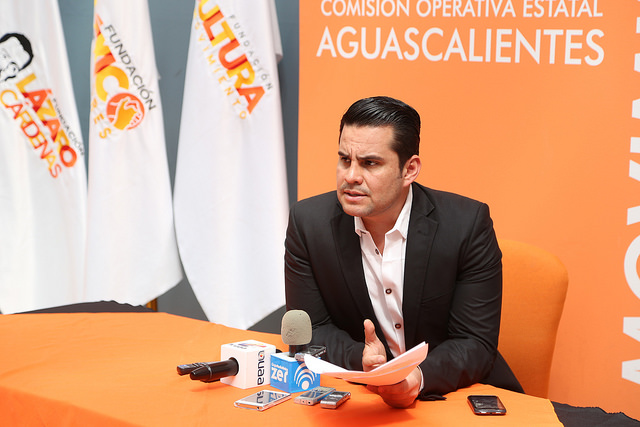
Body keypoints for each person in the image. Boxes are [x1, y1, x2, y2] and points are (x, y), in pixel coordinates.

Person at [284, 96, 522, 408]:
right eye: (344, 159)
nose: (351, 176)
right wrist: (364, 360)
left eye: (370, 163)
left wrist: (416, 378)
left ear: (410, 169)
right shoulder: (308, 224)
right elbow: (309, 329)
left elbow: (475, 342)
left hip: (452, 394)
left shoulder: (466, 226)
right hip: (364, 397)